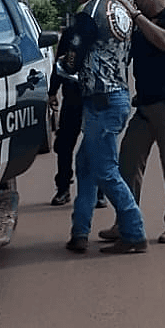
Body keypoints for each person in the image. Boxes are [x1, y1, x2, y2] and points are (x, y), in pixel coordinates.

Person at [99, 0, 165, 244]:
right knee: (127, 164)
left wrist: (137, 18)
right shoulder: (140, 26)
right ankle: (126, 222)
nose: (135, 0)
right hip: (145, 106)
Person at [60, 0, 147, 254]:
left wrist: (65, 68)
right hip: (119, 93)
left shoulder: (88, 13)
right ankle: (80, 232)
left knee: (106, 170)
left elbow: (74, 54)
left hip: (100, 99)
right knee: (85, 165)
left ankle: (134, 231)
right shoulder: (121, 9)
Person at [48, 28, 108, 208]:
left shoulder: (106, 30)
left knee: (97, 144)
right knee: (65, 144)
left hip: (98, 96)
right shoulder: (72, 33)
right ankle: (63, 188)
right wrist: (53, 92)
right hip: (73, 95)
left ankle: (100, 192)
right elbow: (60, 63)